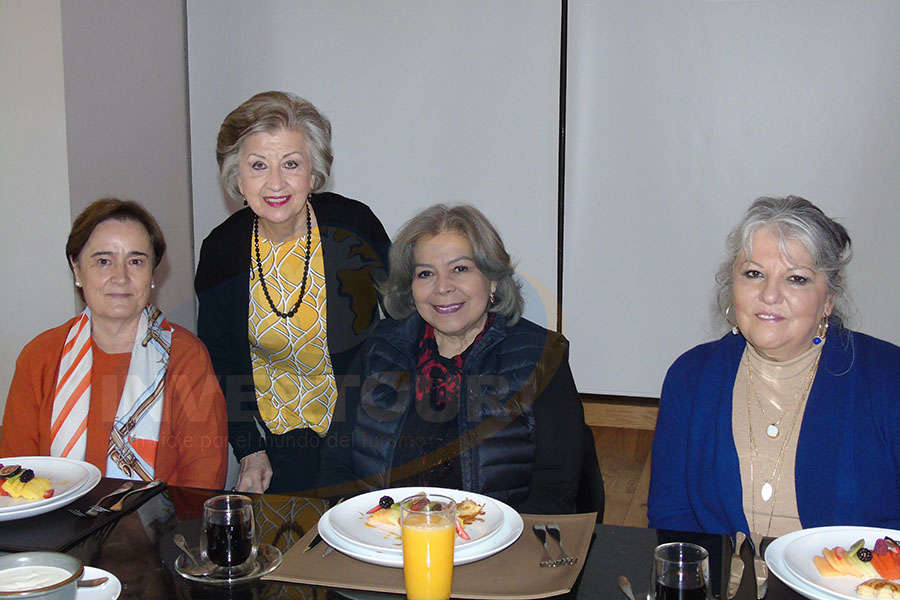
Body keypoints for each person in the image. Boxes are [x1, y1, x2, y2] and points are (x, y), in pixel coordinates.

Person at [648, 196, 900, 537]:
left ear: (829, 298)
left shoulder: (888, 378)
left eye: (796, 279)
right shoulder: (690, 377)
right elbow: (671, 515)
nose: (769, 295)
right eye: (754, 274)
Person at [324, 204, 585, 514]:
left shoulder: (541, 355)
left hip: (497, 545)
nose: (443, 287)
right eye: (425, 273)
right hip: (385, 539)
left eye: (460, 269)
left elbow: (557, 485)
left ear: (492, 280)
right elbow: (336, 462)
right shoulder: (379, 347)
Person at [195, 91, 389, 493]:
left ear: (314, 172)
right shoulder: (222, 250)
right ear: (237, 177)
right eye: (258, 166)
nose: (276, 183)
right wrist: (249, 451)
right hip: (281, 437)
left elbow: (405, 321)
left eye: (291, 164)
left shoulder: (354, 225)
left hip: (366, 429)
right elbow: (222, 360)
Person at [1, 199, 227, 489]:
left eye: (136, 261)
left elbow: (202, 481)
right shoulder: (41, 356)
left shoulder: (186, 356)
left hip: (161, 531)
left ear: (153, 274)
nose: (120, 277)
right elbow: (16, 475)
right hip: (53, 529)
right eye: (103, 261)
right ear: (77, 270)